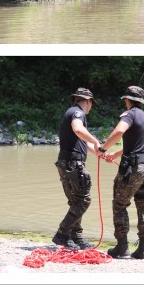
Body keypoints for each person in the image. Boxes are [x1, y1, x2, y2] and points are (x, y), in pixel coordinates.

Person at [99, 86, 144, 260]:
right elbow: (136, 146)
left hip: (133, 169)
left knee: (119, 204)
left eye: (125, 99)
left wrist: (103, 148)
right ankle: (143, 249)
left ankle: (122, 248)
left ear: (127, 100)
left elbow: (119, 131)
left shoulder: (129, 115)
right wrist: (114, 155)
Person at [53, 88, 104, 250]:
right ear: (88, 101)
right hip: (73, 164)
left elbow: (81, 141)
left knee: (75, 201)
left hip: (65, 163)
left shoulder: (70, 112)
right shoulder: (77, 113)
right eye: (91, 104)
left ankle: (76, 236)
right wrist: (95, 140)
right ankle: (62, 234)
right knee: (83, 200)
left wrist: (97, 151)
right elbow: (78, 129)